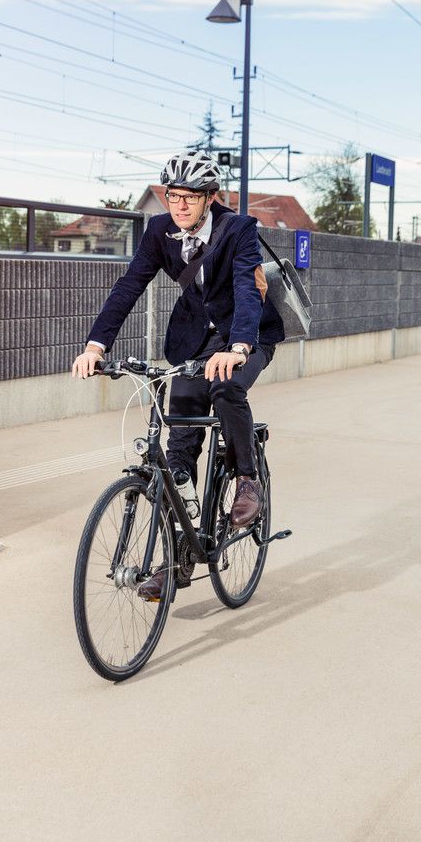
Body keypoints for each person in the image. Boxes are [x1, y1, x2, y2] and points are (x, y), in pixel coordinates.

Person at [72, 149, 284, 600]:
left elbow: (248, 288)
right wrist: (96, 345)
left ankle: (247, 479)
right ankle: (178, 561)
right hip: (192, 339)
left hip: (245, 334)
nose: (180, 205)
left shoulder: (238, 229)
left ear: (211, 198)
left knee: (226, 387)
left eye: (190, 197)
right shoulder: (158, 230)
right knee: (178, 448)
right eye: (173, 196)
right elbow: (129, 285)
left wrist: (239, 347)